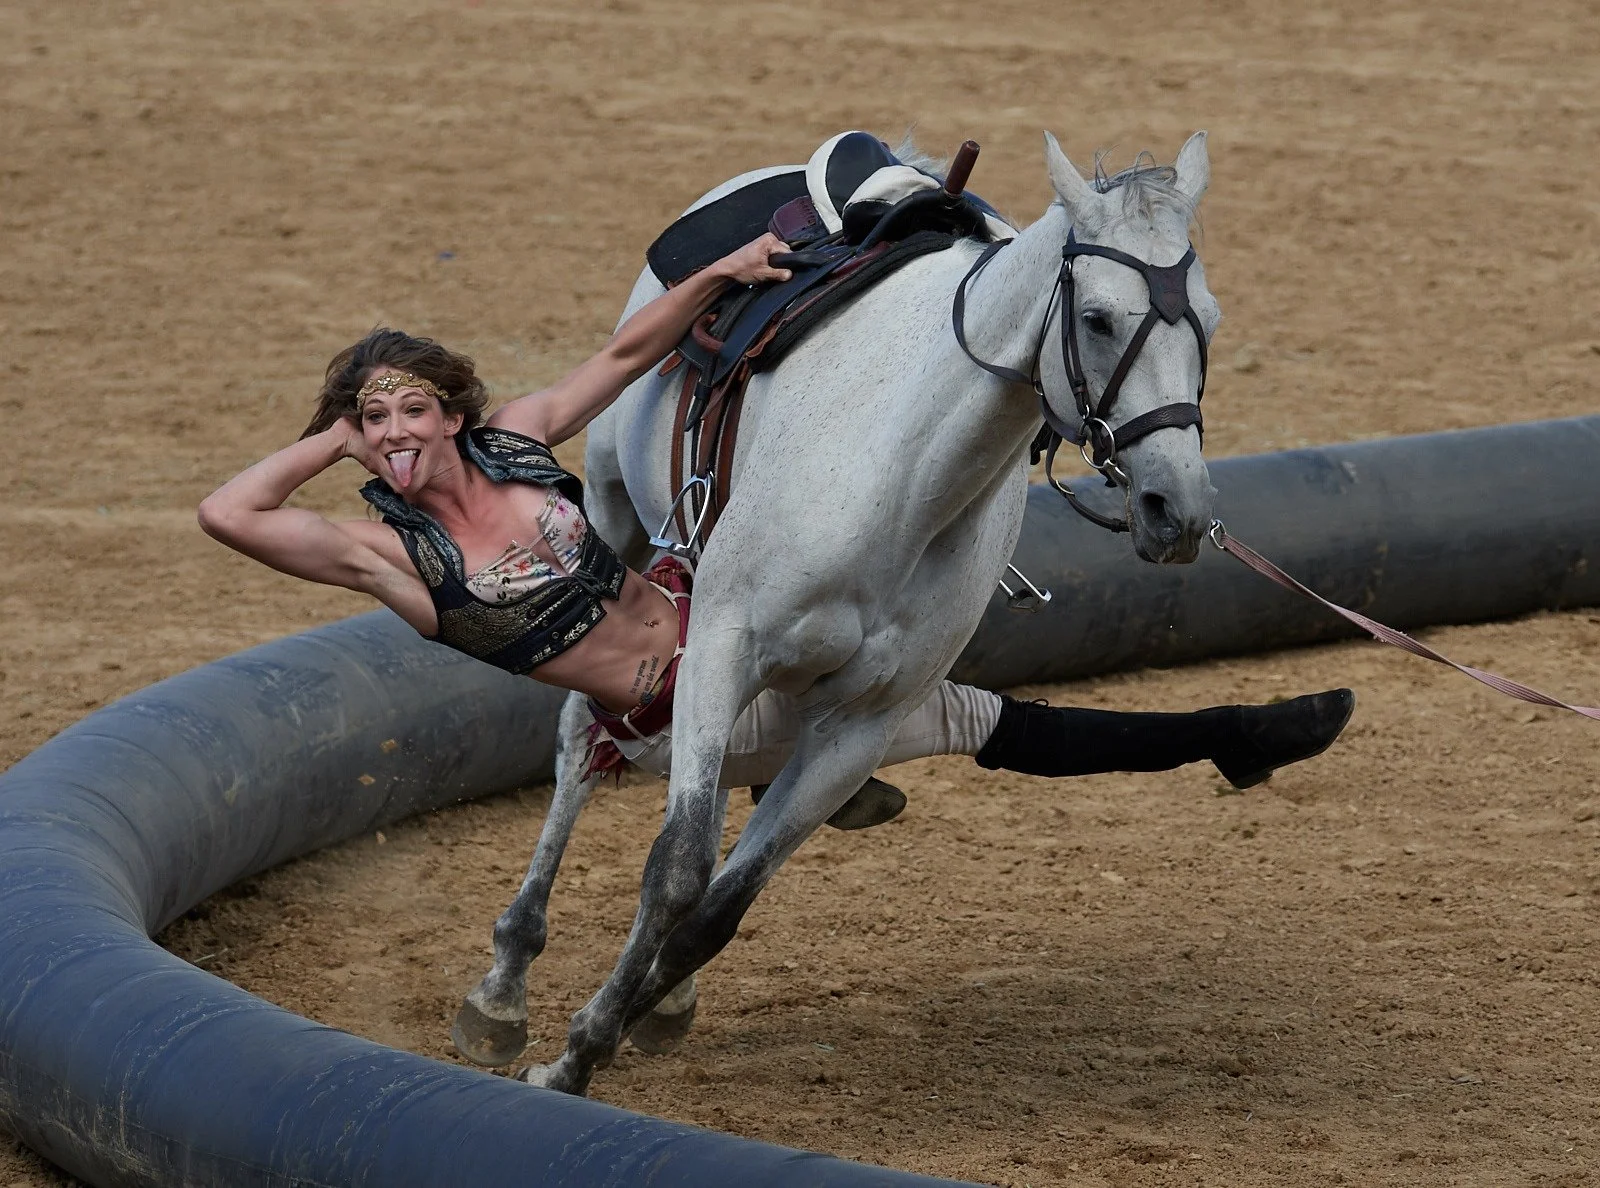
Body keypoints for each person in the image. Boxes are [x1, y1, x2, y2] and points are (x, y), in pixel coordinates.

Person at [198, 234, 1355, 828]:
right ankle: (1218, 735)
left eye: (408, 410)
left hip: (734, 629)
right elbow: (227, 513)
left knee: (881, 611)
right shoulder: (384, 553)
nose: (393, 434)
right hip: (669, 718)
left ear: (451, 411)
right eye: (372, 422)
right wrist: (328, 443)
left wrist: (721, 271)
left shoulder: (511, 441)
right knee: (973, 719)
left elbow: (622, 356)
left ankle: (836, 764)